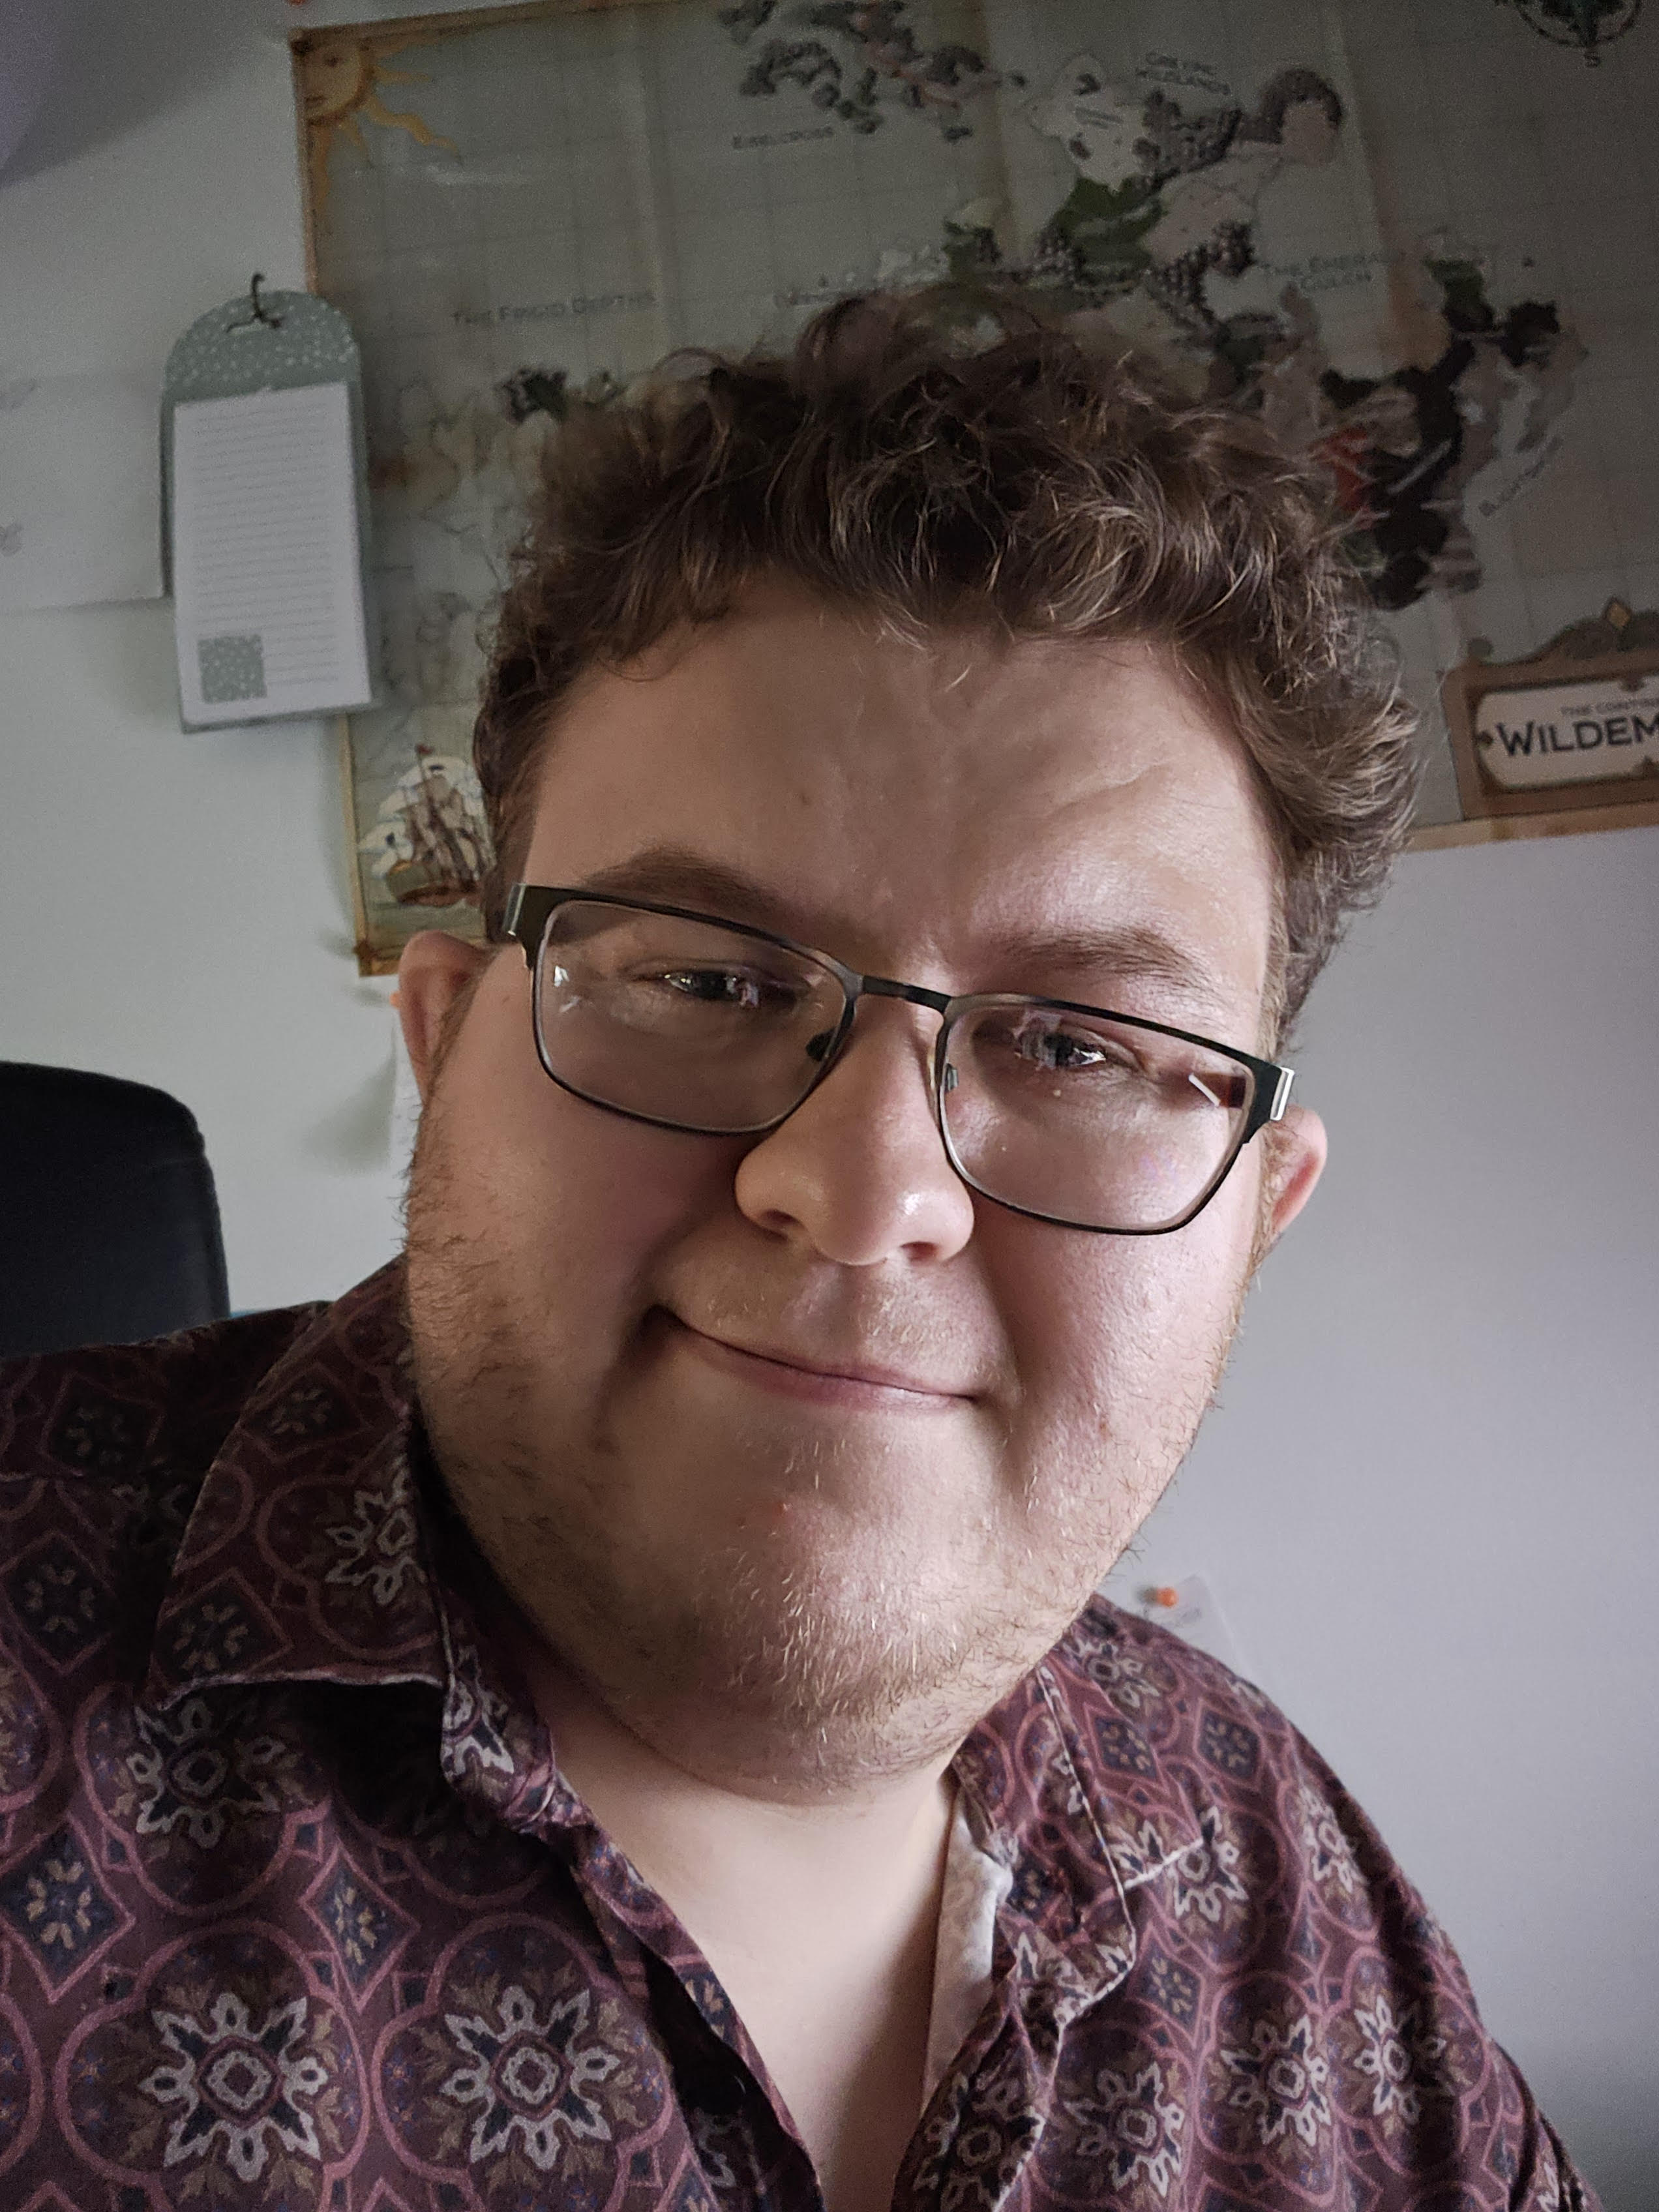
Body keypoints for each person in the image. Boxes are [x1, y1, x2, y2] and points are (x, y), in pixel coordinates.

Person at [0, 294, 1599, 2211]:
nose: (862, 1191)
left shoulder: (1291, 1879)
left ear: (1258, 1216)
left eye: (1084, 1047)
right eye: (705, 979)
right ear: (444, 1043)